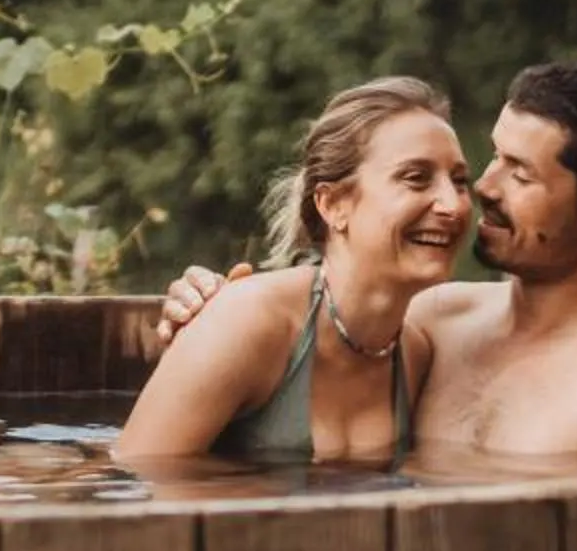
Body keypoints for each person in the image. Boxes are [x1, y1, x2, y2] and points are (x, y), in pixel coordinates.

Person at [159, 61, 577, 465]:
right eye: (494, 156)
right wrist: (208, 307)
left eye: (520, 173)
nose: (483, 189)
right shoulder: (435, 320)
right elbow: (320, 312)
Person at [114, 76, 470, 463]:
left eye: (460, 181)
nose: (452, 204)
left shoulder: (412, 353)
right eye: (416, 178)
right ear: (333, 205)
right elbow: (138, 480)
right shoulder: (246, 321)